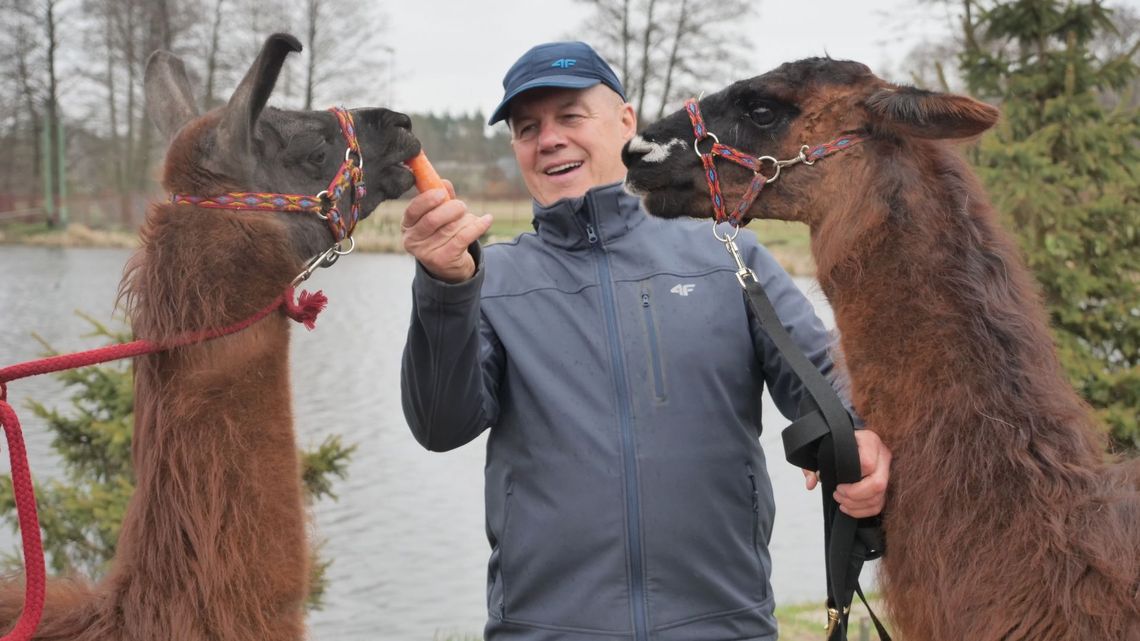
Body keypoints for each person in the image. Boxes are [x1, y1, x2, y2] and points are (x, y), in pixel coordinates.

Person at [399, 41, 890, 641]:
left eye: (570, 116)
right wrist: (444, 289)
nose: (548, 138)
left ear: (625, 122)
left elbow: (825, 381)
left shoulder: (727, 252)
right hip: (545, 629)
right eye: (528, 127)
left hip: (724, 623)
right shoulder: (489, 279)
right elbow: (439, 425)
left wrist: (863, 436)